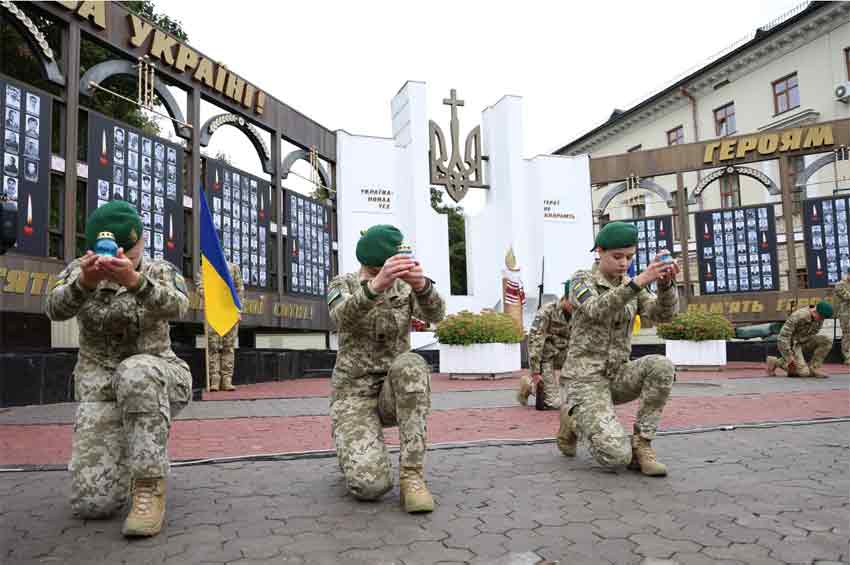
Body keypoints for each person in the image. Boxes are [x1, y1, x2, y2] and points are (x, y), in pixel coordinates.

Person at [45, 200, 191, 537]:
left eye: (132, 251)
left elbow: (179, 305)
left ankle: (149, 487)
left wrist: (135, 281)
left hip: (159, 378)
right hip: (100, 389)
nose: (123, 258)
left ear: (139, 244)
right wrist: (83, 283)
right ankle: (123, 458)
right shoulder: (77, 271)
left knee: (135, 372)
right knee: (92, 505)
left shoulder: (159, 271)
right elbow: (53, 308)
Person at [327, 225, 445, 513]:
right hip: (354, 394)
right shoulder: (342, 284)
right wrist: (375, 285)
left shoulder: (405, 287)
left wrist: (422, 286)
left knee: (413, 364)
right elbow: (341, 318)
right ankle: (352, 448)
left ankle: (412, 476)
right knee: (371, 486)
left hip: (393, 389)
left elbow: (436, 314)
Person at [560, 221, 679, 476]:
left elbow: (662, 315)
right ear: (599, 251)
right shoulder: (582, 279)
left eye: (629, 257)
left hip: (616, 375)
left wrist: (665, 285)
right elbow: (595, 309)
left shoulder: (632, 285)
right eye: (617, 256)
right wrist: (638, 282)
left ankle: (642, 444)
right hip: (585, 381)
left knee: (661, 366)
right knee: (615, 456)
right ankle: (572, 419)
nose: (624, 263)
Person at [517, 281, 572, 410]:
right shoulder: (547, 311)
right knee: (554, 403)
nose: (578, 307)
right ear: (566, 298)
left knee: (578, 401)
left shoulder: (581, 313)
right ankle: (529, 385)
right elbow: (535, 341)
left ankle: (563, 392)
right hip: (546, 358)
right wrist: (535, 373)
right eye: (574, 303)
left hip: (568, 356)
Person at [195, 261, 244, 391]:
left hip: (229, 312)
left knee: (228, 347)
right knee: (213, 346)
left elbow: (239, 290)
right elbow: (199, 285)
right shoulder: (206, 267)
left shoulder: (233, 268)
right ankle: (214, 380)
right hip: (213, 312)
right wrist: (208, 294)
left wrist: (238, 310)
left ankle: (227, 380)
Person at [767, 301, 833, 378]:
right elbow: (783, 338)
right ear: (815, 311)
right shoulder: (798, 316)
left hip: (804, 342)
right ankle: (775, 362)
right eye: (821, 317)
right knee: (803, 373)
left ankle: (814, 368)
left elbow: (813, 334)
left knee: (826, 340)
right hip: (793, 345)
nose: (822, 320)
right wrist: (790, 359)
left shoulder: (819, 318)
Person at [835, 267, 850, 364]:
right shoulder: (840, 284)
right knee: (848, 335)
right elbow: (847, 296)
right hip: (846, 314)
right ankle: (848, 356)